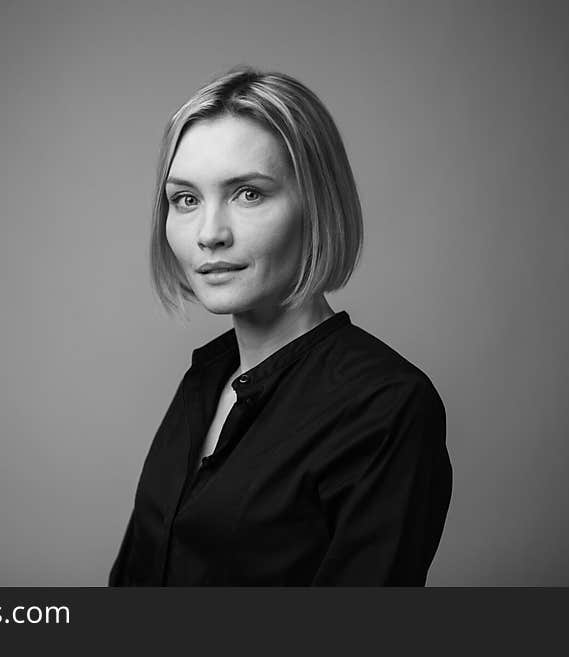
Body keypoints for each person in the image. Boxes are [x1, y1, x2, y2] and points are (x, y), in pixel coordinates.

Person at [109, 66, 452, 586]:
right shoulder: (206, 377)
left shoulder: (386, 406)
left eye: (248, 193)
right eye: (186, 199)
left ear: (316, 205)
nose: (209, 234)